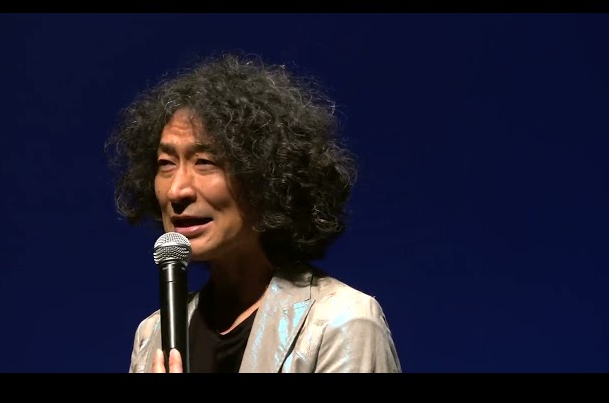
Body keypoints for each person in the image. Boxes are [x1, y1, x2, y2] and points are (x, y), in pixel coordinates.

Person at [105, 52, 401, 373]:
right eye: (165, 164)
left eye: (205, 162)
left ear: (269, 178)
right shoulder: (152, 335)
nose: (177, 190)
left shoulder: (341, 321)